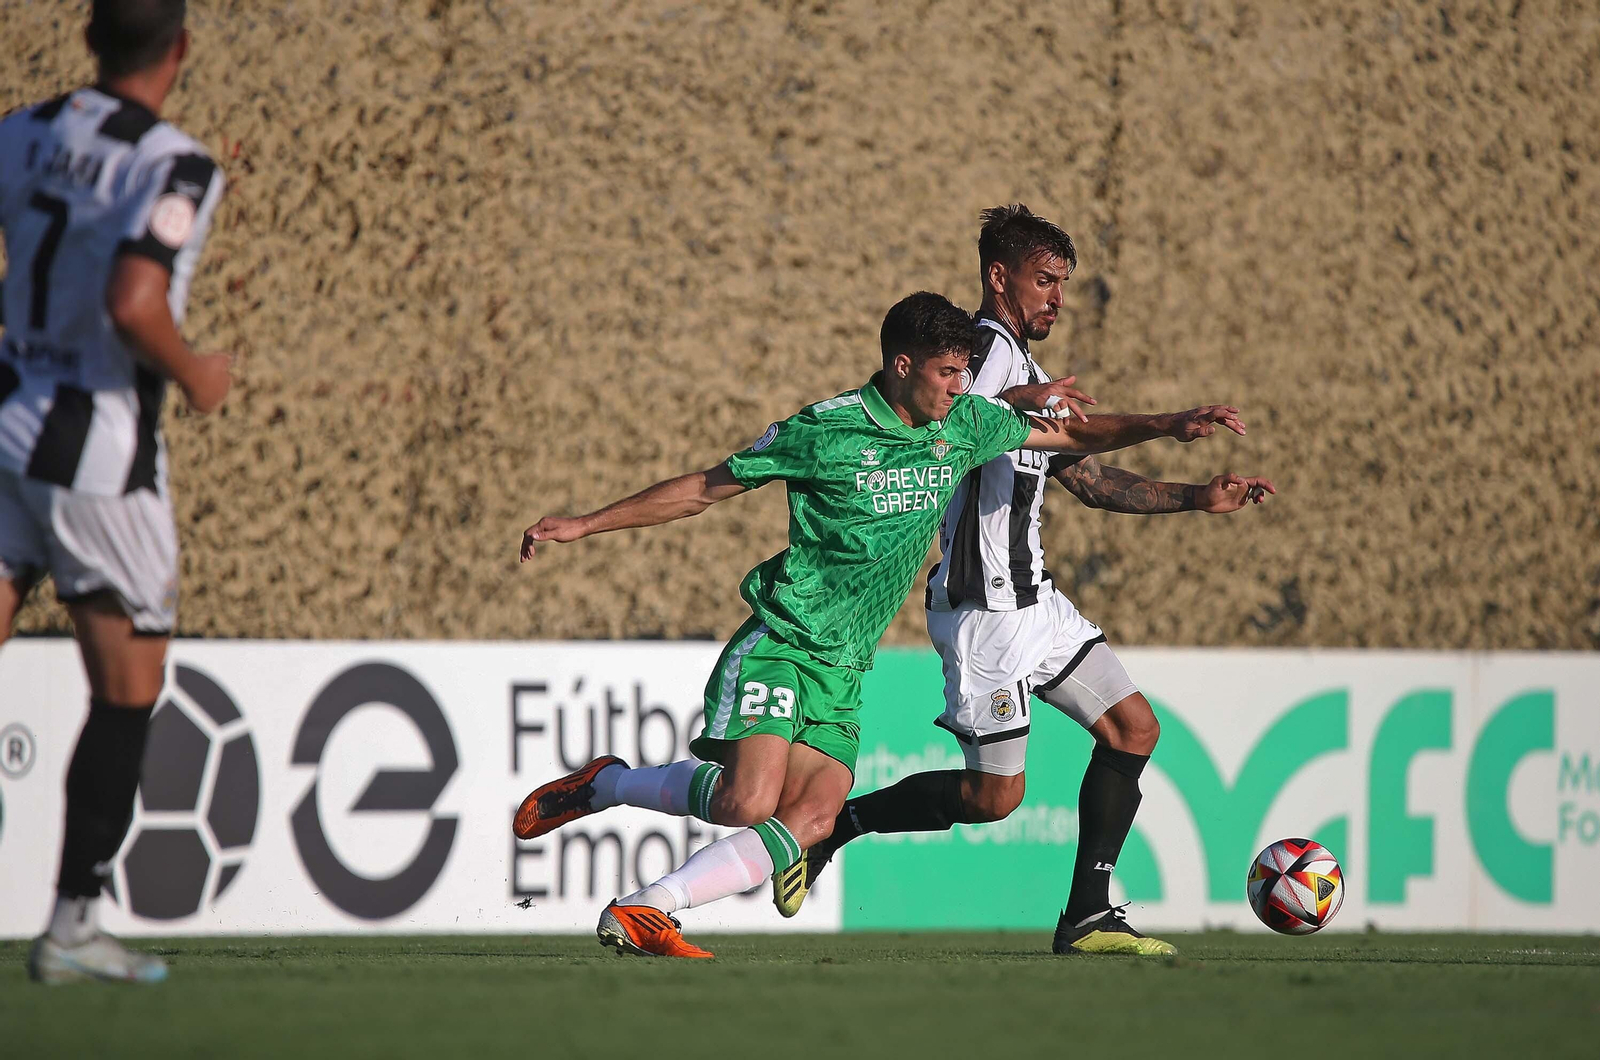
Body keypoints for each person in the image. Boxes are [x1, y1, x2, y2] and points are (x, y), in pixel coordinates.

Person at [515, 290, 1243, 958]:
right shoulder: (825, 430)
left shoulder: (963, 426)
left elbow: (1070, 437)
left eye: (966, 373)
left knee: (813, 819)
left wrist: (1166, 425)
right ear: (902, 366)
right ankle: (613, 791)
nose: (961, 387)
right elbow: (703, 489)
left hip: (845, 667)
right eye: (948, 373)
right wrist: (583, 524)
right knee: (748, 801)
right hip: (785, 641)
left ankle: (647, 905)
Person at [771, 205, 1275, 956]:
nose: (1058, 298)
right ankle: (837, 827)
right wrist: (1165, 422)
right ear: (998, 277)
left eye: (1063, 283)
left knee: (1134, 728)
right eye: (1045, 280)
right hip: (985, 613)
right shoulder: (981, 352)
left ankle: (1087, 915)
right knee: (994, 798)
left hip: (1036, 600)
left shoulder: (1028, 370)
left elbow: (1089, 479)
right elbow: (959, 424)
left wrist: (1197, 497)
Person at [0, 0, 231, 984]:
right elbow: (135, 301)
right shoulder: (174, 165)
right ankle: (72, 925)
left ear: (88, 38)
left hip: (6, 422)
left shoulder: (21, 131)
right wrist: (196, 371)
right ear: (180, 49)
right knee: (128, 690)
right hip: (99, 458)